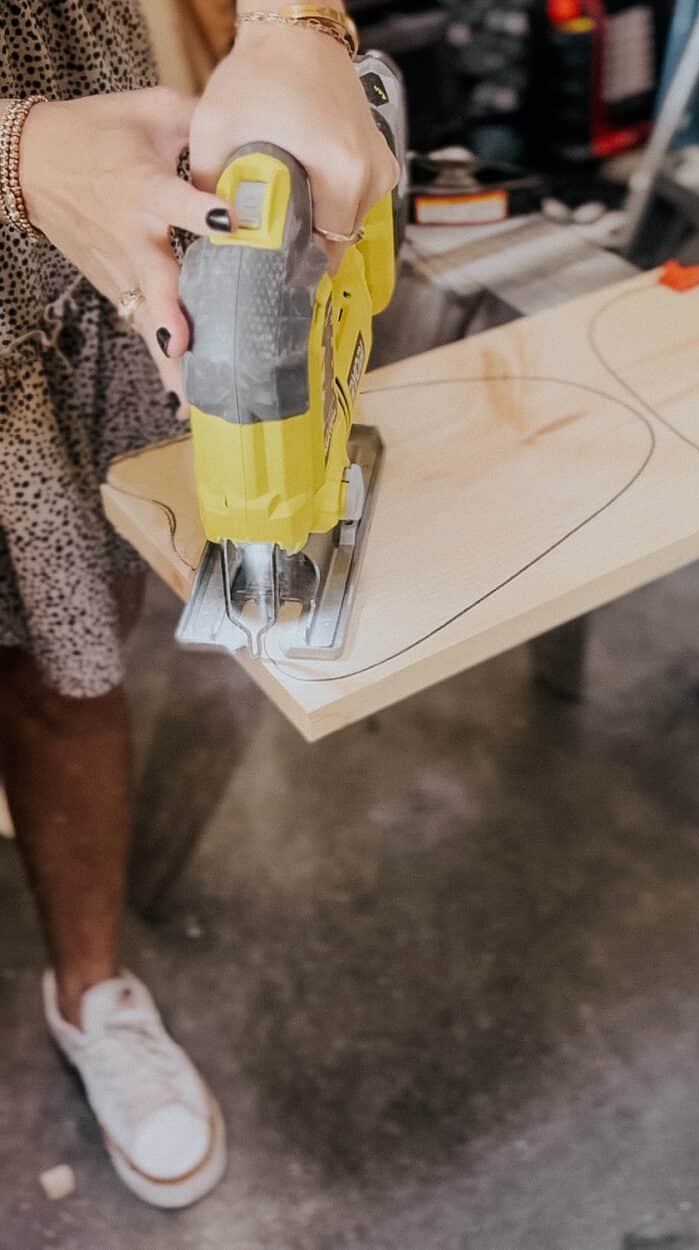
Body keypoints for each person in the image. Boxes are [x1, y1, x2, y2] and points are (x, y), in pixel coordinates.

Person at [0, 0, 398, 1208]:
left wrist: (296, 29)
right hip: (44, 165)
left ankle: (91, 987)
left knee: (67, 666)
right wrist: (12, 152)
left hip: (81, 239)